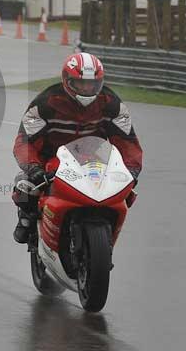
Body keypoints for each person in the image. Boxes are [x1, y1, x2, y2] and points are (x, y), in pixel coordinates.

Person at [11, 52, 143, 244]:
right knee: (25, 185)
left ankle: (107, 234)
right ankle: (26, 219)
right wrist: (34, 168)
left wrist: (132, 170)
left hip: (96, 159)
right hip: (51, 159)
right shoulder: (45, 103)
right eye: (80, 83)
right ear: (67, 81)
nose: (86, 89)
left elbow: (127, 141)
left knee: (128, 193)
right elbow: (25, 141)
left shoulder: (112, 103)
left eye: (92, 84)